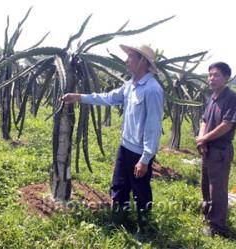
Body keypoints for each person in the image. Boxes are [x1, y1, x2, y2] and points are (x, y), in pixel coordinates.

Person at [62, 44, 163, 238]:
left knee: (140, 190)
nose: (127, 60)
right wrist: (79, 97)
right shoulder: (130, 85)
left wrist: (145, 158)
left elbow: (153, 127)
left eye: (131, 57)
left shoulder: (152, 90)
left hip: (139, 152)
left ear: (143, 61)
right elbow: (108, 98)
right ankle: (118, 222)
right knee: (119, 185)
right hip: (125, 147)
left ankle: (144, 229)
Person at [196, 62, 236, 237]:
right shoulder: (213, 97)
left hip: (220, 150)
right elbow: (204, 120)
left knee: (218, 189)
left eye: (216, 75)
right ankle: (209, 218)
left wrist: (204, 139)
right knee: (206, 185)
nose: (211, 78)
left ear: (226, 78)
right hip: (207, 149)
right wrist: (201, 140)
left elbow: (227, 125)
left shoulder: (232, 98)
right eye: (209, 75)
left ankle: (218, 227)